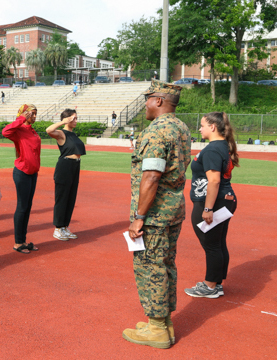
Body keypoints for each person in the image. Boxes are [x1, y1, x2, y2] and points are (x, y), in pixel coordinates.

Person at [124, 80, 191, 349]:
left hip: (154, 214)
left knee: (151, 268)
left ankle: (157, 329)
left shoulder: (156, 132)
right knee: (166, 265)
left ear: (160, 100)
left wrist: (139, 216)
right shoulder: (181, 127)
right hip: (173, 210)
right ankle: (164, 322)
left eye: (149, 98)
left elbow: (151, 176)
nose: (146, 103)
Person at [184, 112, 238, 298]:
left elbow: (214, 181)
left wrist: (207, 209)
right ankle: (216, 283)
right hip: (223, 200)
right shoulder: (219, 146)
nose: (200, 129)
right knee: (217, 243)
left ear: (213, 127)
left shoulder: (214, 149)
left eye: (202, 125)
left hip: (214, 202)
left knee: (211, 245)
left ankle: (210, 285)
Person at [2, 104, 41, 254]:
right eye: (32, 114)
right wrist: (22, 118)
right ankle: (18, 242)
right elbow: (5, 131)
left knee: (28, 207)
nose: (35, 116)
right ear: (24, 114)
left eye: (36, 114)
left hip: (32, 173)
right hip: (22, 172)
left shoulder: (32, 130)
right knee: (22, 206)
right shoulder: (18, 130)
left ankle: (23, 240)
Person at [46, 109, 86, 241]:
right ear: (67, 119)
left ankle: (64, 227)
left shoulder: (73, 134)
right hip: (65, 166)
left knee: (71, 198)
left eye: (76, 118)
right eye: (73, 118)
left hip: (75, 166)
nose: (76, 120)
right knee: (62, 198)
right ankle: (57, 228)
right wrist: (62, 122)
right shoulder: (61, 133)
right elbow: (48, 130)